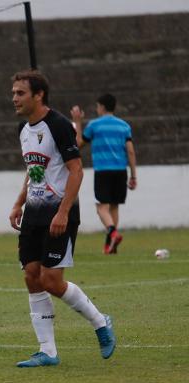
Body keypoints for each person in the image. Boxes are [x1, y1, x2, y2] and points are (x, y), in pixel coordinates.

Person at [9, 70, 116, 367]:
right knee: (32, 276)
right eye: (14, 92)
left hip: (59, 215)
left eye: (20, 93)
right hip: (33, 214)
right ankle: (48, 351)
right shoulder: (23, 129)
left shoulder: (58, 125)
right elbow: (34, 172)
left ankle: (100, 321)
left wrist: (64, 211)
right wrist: (19, 203)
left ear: (38, 95)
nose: (14, 98)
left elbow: (76, 170)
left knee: (52, 281)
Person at [70, 94, 137, 254]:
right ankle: (111, 245)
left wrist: (78, 122)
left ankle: (113, 233)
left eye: (97, 106)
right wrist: (133, 175)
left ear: (101, 107)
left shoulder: (94, 125)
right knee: (114, 206)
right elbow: (131, 151)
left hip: (103, 170)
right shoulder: (124, 126)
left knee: (101, 207)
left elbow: (78, 144)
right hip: (121, 171)